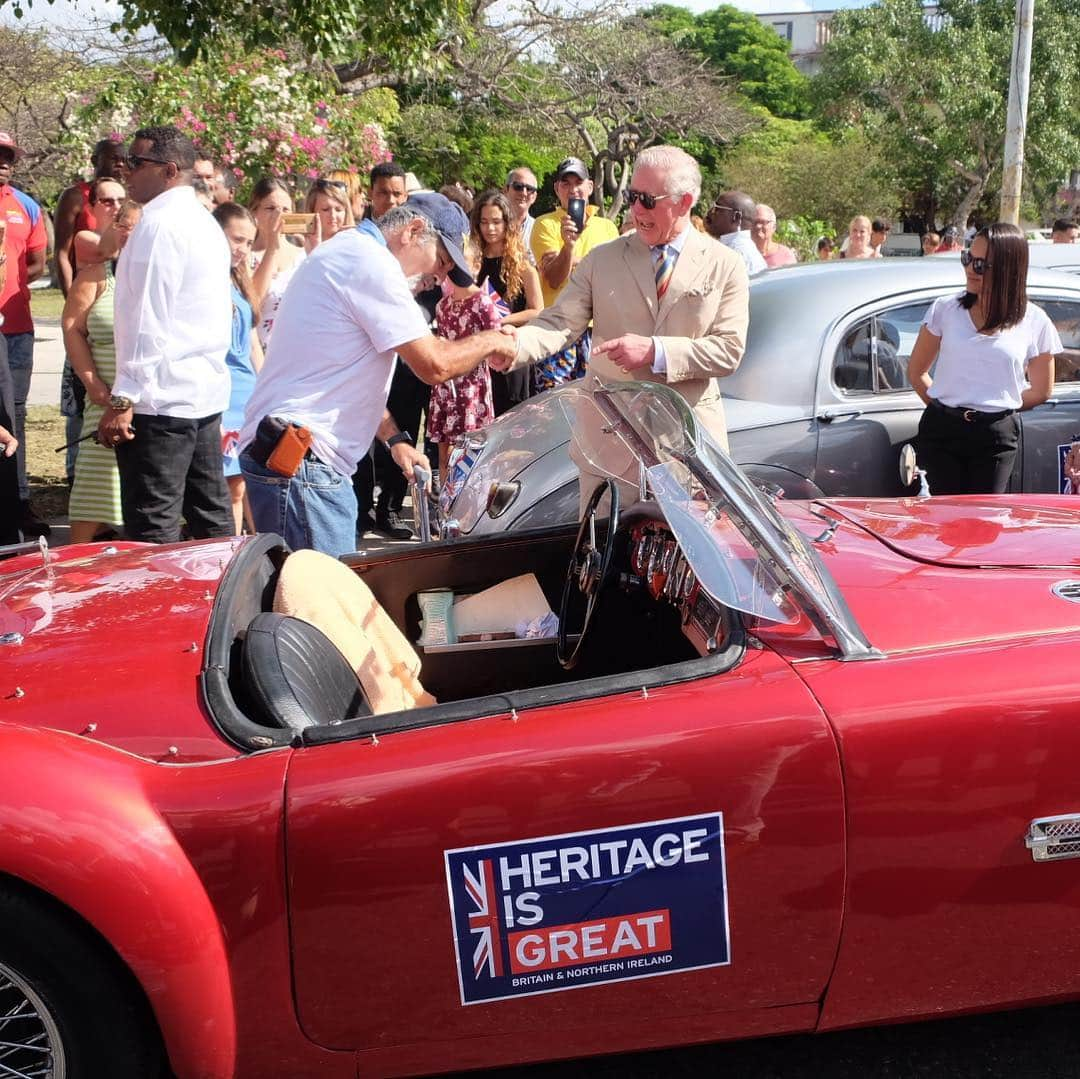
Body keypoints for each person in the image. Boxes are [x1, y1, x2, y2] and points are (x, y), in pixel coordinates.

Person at [238, 193, 518, 557]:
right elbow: (435, 364)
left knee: (309, 598)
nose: (440, 274)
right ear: (413, 231)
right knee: (322, 606)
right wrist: (493, 339)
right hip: (303, 463)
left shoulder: (350, 252)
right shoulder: (370, 263)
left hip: (298, 459)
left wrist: (395, 438)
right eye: (443, 260)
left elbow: (342, 375)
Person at [498, 145, 749, 491]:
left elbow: (729, 350)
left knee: (679, 546)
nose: (636, 209)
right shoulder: (602, 259)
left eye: (648, 199)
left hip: (688, 448)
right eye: (632, 197)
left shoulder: (725, 264)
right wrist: (513, 346)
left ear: (684, 202)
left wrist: (655, 351)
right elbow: (559, 323)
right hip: (610, 445)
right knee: (602, 544)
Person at [98, 124, 235, 544]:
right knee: (210, 520)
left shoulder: (158, 225)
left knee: (152, 527)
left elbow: (147, 322)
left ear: (169, 170)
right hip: (199, 396)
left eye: (137, 163)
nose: (127, 172)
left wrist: (124, 398)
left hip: (160, 403)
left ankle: (162, 608)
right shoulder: (203, 221)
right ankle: (226, 607)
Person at [907, 222, 1062, 495]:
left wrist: (996, 405)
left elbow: (1041, 389)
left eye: (980, 264)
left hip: (995, 438)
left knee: (983, 524)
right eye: (967, 258)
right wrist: (946, 406)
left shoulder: (1035, 321)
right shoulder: (945, 309)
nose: (969, 269)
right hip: (941, 431)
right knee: (938, 523)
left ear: (1007, 270)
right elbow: (917, 371)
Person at [61, 199, 142, 543]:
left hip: (151, 409)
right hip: (102, 405)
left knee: (152, 504)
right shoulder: (97, 274)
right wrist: (92, 382)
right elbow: (71, 327)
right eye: (124, 226)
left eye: (137, 228)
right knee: (92, 504)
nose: (129, 235)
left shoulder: (164, 279)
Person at [530, 156, 619, 390]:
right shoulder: (545, 224)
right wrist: (568, 247)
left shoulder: (607, 228)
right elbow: (554, 278)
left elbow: (613, 277)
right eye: (565, 183)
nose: (573, 190)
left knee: (597, 403)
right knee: (554, 404)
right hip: (558, 328)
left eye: (578, 183)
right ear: (557, 189)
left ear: (590, 187)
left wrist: (578, 262)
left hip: (598, 332)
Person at [0, 131, 48, 536]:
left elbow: (36, 264)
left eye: (9, 156)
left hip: (15, 328)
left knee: (14, 417)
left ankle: (17, 505)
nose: (4, 162)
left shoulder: (26, 206)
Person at [213, 202, 265, 533]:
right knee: (231, 487)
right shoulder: (205, 281)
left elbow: (252, 342)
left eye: (248, 242)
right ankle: (230, 562)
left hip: (247, 395)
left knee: (251, 483)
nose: (242, 249)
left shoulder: (238, 280)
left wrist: (267, 388)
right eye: (236, 239)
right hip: (221, 394)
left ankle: (261, 556)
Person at [470, 189, 544, 415]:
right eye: (484, 222)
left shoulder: (522, 265)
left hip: (512, 353)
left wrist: (502, 320)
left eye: (496, 222)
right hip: (479, 354)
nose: (490, 229)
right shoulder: (472, 262)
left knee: (514, 419)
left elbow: (537, 310)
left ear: (507, 223)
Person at [428, 268, 500, 477]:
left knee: (471, 453)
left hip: (472, 388)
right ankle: (444, 503)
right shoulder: (442, 306)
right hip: (446, 385)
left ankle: (469, 504)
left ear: (477, 266)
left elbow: (496, 344)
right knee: (444, 453)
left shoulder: (483, 303)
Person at [53, 137, 128, 297]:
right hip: (87, 287)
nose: (120, 164)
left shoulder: (129, 197)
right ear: (95, 160)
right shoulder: (75, 196)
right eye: (113, 158)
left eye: (123, 159)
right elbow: (62, 252)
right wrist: (70, 297)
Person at [248, 177, 305, 351]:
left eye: (285, 209)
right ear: (254, 212)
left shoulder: (303, 255)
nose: (279, 215)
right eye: (270, 208)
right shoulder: (245, 256)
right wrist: (271, 248)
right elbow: (252, 306)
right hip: (258, 351)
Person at [704, 191, 767, 276]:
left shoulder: (736, 254)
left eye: (717, 209)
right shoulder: (734, 248)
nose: (710, 213)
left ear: (736, 217)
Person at [71, 176, 126, 267]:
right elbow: (110, 252)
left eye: (122, 201)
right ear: (91, 208)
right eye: (107, 201)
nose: (117, 206)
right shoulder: (83, 238)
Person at [304, 177, 355, 250]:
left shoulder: (356, 245)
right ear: (312, 211)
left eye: (338, 210)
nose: (333, 215)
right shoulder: (299, 248)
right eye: (325, 209)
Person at [750, 204, 797, 268]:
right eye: (754, 222)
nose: (758, 226)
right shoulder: (742, 254)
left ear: (774, 227)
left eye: (763, 222)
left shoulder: (785, 255)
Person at [505, 167, 539, 252]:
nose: (523, 193)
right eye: (518, 187)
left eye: (529, 189)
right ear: (505, 190)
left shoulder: (539, 229)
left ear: (534, 197)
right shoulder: (490, 225)